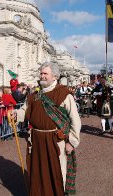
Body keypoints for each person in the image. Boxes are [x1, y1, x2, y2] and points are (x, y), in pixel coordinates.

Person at [14, 62, 81, 196]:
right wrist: (16, 114)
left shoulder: (63, 94)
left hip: (55, 140)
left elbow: (75, 119)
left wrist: (72, 142)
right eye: (41, 73)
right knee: (38, 171)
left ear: (55, 76)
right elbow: (25, 110)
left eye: (45, 74)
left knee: (56, 172)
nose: (42, 76)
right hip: (36, 140)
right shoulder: (34, 95)